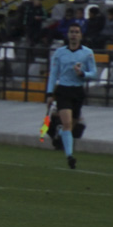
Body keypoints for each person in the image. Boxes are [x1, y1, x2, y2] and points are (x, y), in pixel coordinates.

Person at [45, 23, 97, 169]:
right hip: (63, 90)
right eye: (72, 32)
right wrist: (50, 93)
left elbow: (94, 72)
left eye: (77, 32)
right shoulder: (59, 53)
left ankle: (60, 133)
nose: (74, 34)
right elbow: (53, 74)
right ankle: (70, 156)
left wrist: (83, 74)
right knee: (67, 123)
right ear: (68, 35)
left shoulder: (87, 53)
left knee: (71, 126)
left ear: (81, 35)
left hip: (78, 91)